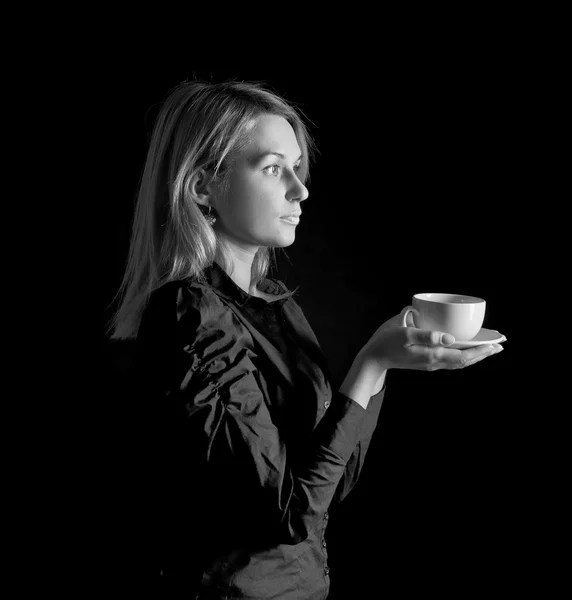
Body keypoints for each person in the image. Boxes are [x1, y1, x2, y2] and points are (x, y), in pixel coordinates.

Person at [108, 78, 503, 599]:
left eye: (298, 168)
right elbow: (287, 515)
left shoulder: (276, 305)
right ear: (203, 186)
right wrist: (370, 366)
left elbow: (330, 488)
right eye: (274, 168)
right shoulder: (190, 312)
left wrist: (383, 369)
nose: (301, 189)